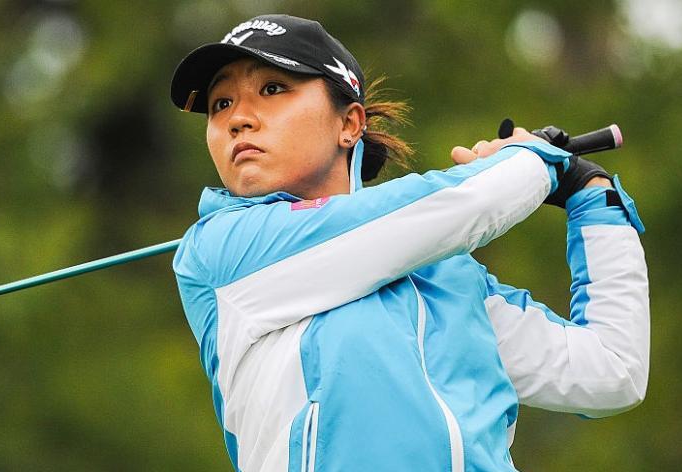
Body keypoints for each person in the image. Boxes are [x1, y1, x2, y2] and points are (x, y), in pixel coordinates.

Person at [169, 14, 649, 472]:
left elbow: (611, 373)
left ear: (349, 124)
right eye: (221, 104)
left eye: (272, 89)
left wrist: (594, 198)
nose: (238, 119)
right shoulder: (221, 251)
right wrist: (533, 157)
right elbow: (467, 205)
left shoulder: (449, 278)